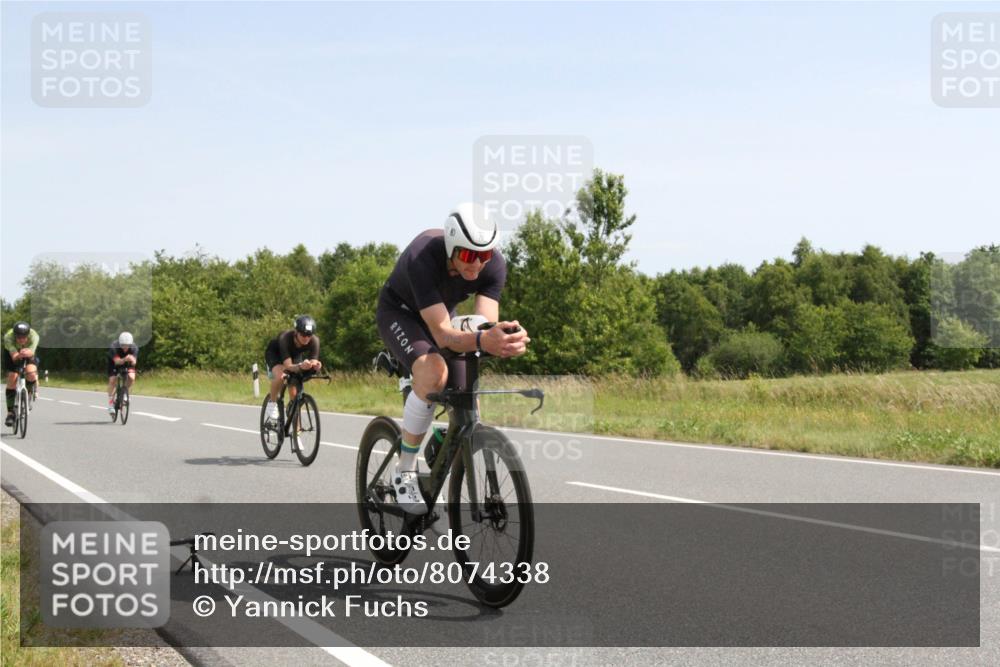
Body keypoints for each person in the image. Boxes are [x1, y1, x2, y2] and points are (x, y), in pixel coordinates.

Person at [375, 202, 530, 514]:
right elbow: (444, 335)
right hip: (401, 313)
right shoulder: (423, 255)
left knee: (467, 394)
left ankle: (444, 440)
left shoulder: (493, 265)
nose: (477, 265)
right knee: (433, 371)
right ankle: (404, 470)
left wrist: (502, 337)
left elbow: (481, 326)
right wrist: (481, 338)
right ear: (451, 246)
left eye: (484, 255)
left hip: (441, 314)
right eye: (470, 255)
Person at [263, 315, 322, 422]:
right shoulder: (285, 338)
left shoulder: (315, 341)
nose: (306, 338)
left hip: (294, 356)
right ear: (296, 332)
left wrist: (316, 365)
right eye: (303, 334)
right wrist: (300, 366)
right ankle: (272, 403)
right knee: (282, 375)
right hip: (275, 354)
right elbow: (288, 366)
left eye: (309, 335)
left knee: (295, 396)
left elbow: (314, 360)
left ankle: (297, 435)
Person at [3, 321, 40, 426]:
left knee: (31, 373)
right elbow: (14, 356)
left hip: (28, 352)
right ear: (14, 335)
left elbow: (32, 352)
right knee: (12, 377)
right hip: (12, 354)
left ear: (28, 335)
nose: (21, 339)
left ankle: (28, 395)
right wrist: (18, 355)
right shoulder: (8, 337)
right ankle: (10, 413)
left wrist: (28, 353)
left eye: (24, 337)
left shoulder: (34, 336)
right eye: (18, 337)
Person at [107, 332, 139, 413]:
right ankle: (110, 403)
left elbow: (134, 362)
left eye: (127, 345)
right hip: (115, 363)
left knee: (131, 377)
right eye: (122, 345)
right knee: (112, 380)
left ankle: (124, 392)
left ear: (131, 344)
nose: (125, 347)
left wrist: (132, 360)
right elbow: (117, 362)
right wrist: (125, 359)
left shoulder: (134, 347)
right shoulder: (113, 347)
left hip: (128, 363)